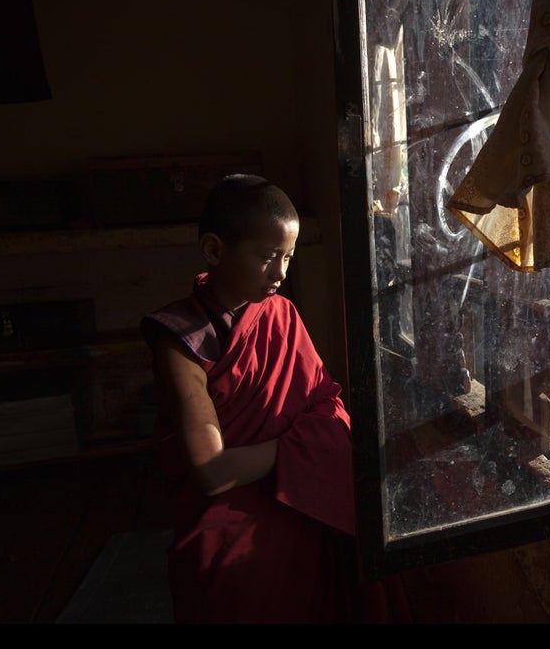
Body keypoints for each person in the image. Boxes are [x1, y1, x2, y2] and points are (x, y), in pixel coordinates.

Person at [140, 174, 410, 623]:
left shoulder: (281, 314)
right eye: (267, 257)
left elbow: (324, 399)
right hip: (227, 529)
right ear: (213, 250)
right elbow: (211, 472)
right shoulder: (179, 338)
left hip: (302, 509)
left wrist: (313, 440)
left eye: (288, 256)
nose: (281, 273)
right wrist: (304, 448)